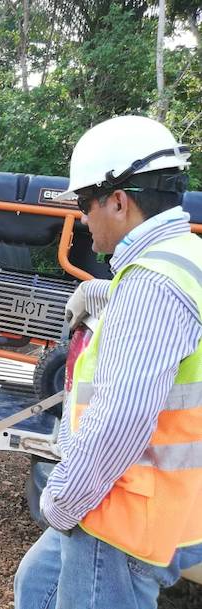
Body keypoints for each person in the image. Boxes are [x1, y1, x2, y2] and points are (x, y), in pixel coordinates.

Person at [15, 115, 202, 609]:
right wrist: (99, 292)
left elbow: (119, 420)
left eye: (84, 203)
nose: (81, 217)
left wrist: (61, 501)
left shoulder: (151, 287)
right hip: (153, 499)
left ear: (118, 201)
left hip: (118, 515)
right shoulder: (183, 257)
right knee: (36, 585)